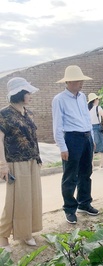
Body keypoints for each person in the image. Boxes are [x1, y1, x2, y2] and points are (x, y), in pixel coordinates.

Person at [52, 65, 99, 224]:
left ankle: (84, 203)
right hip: (71, 139)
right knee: (70, 175)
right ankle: (70, 208)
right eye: (79, 80)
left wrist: (91, 138)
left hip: (86, 138)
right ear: (70, 81)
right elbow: (57, 125)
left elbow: (87, 118)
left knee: (86, 172)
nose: (82, 83)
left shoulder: (81, 96)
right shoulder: (59, 99)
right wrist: (62, 146)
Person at [0, 77, 42, 252]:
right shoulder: (4, 114)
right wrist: (2, 165)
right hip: (15, 162)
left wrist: (38, 158)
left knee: (32, 199)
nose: (30, 94)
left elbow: (33, 137)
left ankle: (26, 233)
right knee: (15, 200)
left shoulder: (28, 113)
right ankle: (2, 236)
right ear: (19, 93)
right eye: (27, 92)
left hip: (32, 160)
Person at [88, 93, 103, 170]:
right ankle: (102, 165)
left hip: (90, 128)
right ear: (95, 100)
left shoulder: (87, 109)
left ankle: (91, 166)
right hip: (97, 128)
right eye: (97, 99)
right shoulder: (98, 108)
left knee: (92, 148)